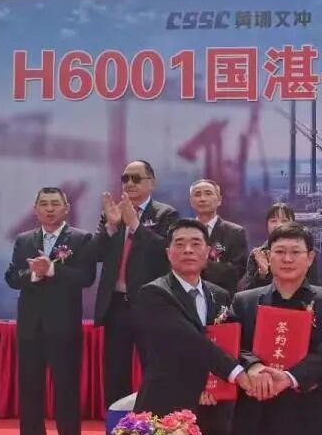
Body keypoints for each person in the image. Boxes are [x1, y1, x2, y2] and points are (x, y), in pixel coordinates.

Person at [220, 223, 322, 435]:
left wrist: (290, 378)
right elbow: (233, 345)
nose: (287, 259)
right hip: (256, 416)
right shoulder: (244, 301)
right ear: (268, 256)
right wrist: (253, 366)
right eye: (280, 251)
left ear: (310, 258)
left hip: (312, 419)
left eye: (295, 252)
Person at [133, 219, 264, 420]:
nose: (188, 250)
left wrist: (253, 365)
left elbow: (232, 341)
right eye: (180, 244)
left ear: (208, 251)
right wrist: (236, 372)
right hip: (167, 407)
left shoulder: (220, 295)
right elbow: (187, 339)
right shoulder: (153, 293)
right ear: (168, 253)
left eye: (195, 244)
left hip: (214, 406)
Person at [4, 187, 96, 435]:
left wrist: (53, 270)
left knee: (66, 383)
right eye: (44, 204)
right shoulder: (24, 240)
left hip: (64, 324)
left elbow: (86, 277)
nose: (50, 208)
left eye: (55, 203)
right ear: (35, 210)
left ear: (66, 208)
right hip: (30, 325)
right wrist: (33, 275)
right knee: (29, 383)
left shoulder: (81, 239)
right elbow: (12, 277)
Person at [93, 159, 180, 411]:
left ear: (151, 183)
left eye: (136, 178)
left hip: (150, 305)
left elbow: (165, 252)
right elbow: (95, 254)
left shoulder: (166, 214)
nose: (129, 183)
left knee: (155, 368)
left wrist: (135, 226)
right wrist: (111, 226)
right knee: (115, 372)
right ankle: (116, 428)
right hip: (116, 306)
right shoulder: (112, 213)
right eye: (125, 179)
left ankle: (155, 426)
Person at [190, 179, 248, 294]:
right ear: (191, 202)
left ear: (219, 200)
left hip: (222, 296)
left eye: (208, 193)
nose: (202, 199)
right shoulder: (182, 231)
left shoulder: (235, 232)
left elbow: (237, 271)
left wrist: (203, 263)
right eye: (197, 194)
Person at [244, 203, 318, 289]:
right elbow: (248, 292)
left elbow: (313, 287)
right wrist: (262, 274)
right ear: (267, 224)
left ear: (293, 224)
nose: (278, 225)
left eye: (284, 221)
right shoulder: (257, 255)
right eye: (273, 221)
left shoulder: (306, 253)